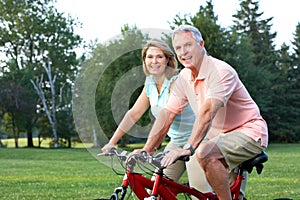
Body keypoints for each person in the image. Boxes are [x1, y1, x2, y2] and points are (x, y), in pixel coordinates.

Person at [134, 25, 268, 200]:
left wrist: (189, 148)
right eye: (178, 48)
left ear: (201, 44)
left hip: (248, 132)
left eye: (188, 45)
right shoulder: (184, 77)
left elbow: (207, 112)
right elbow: (167, 114)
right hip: (218, 138)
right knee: (164, 185)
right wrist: (148, 149)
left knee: (204, 152)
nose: (183, 52)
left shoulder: (220, 71)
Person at [101, 39, 211, 194]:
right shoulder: (150, 83)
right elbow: (134, 114)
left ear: (167, 59)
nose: (154, 61)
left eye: (159, 56)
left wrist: (148, 148)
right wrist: (112, 142)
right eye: (149, 57)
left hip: (198, 141)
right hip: (177, 142)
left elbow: (167, 117)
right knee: (158, 190)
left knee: (199, 193)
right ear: (144, 60)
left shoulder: (177, 81)